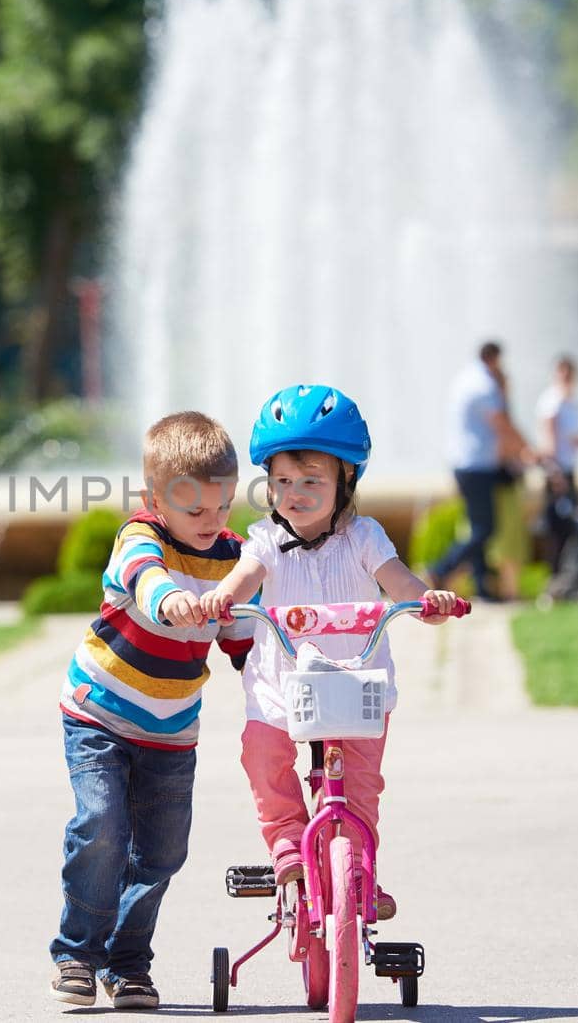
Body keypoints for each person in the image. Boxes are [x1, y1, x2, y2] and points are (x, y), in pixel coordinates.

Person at [199, 385, 460, 922]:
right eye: (282, 481)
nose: (294, 492)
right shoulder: (265, 541)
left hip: (355, 687)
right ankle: (288, 844)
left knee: (361, 783)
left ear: (346, 479)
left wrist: (425, 601)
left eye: (311, 480)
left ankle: (359, 869)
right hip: (281, 687)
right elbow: (243, 577)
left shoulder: (364, 536)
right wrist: (223, 598)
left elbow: (398, 580)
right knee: (263, 755)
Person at [49, 411, 256, 1010]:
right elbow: (146, 579)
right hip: (101, 713)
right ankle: (76, 953)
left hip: (171, 728)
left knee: (164, 851)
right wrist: (171, 602)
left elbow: (244, 636)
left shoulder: (230, 555)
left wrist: (265, 660)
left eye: (222, 508)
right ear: (154, 500)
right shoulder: (140, 537)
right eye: (195, 512)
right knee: (104, 825)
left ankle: (127, 963)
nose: (212, 523)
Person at [428, 341, 533, 601]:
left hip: (466, 463)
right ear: (493, 358)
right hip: (477, 465)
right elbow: (502, 424)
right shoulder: (484, 385)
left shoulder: (465, 379)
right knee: (484, 528)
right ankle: (441, 568)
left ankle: (482, 587)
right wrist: (529, 449)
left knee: (479, 527)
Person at [485, 364, 532, 601]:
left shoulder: (495, 409)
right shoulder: (496, 411)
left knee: (503, 540)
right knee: (508, 540)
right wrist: (527, 452)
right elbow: (507, 444)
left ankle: (508, 589)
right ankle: (510, 591)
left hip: (502, 480)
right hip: (504, 482)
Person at [536, 354, 578, 571]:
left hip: (567, 468)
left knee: (570, 525)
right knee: (559, 527)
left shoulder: (571, 401)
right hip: (558, 472)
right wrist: (555, 472)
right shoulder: (552, 401)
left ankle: (567, 575)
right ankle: (557, 576)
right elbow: (549, 440)